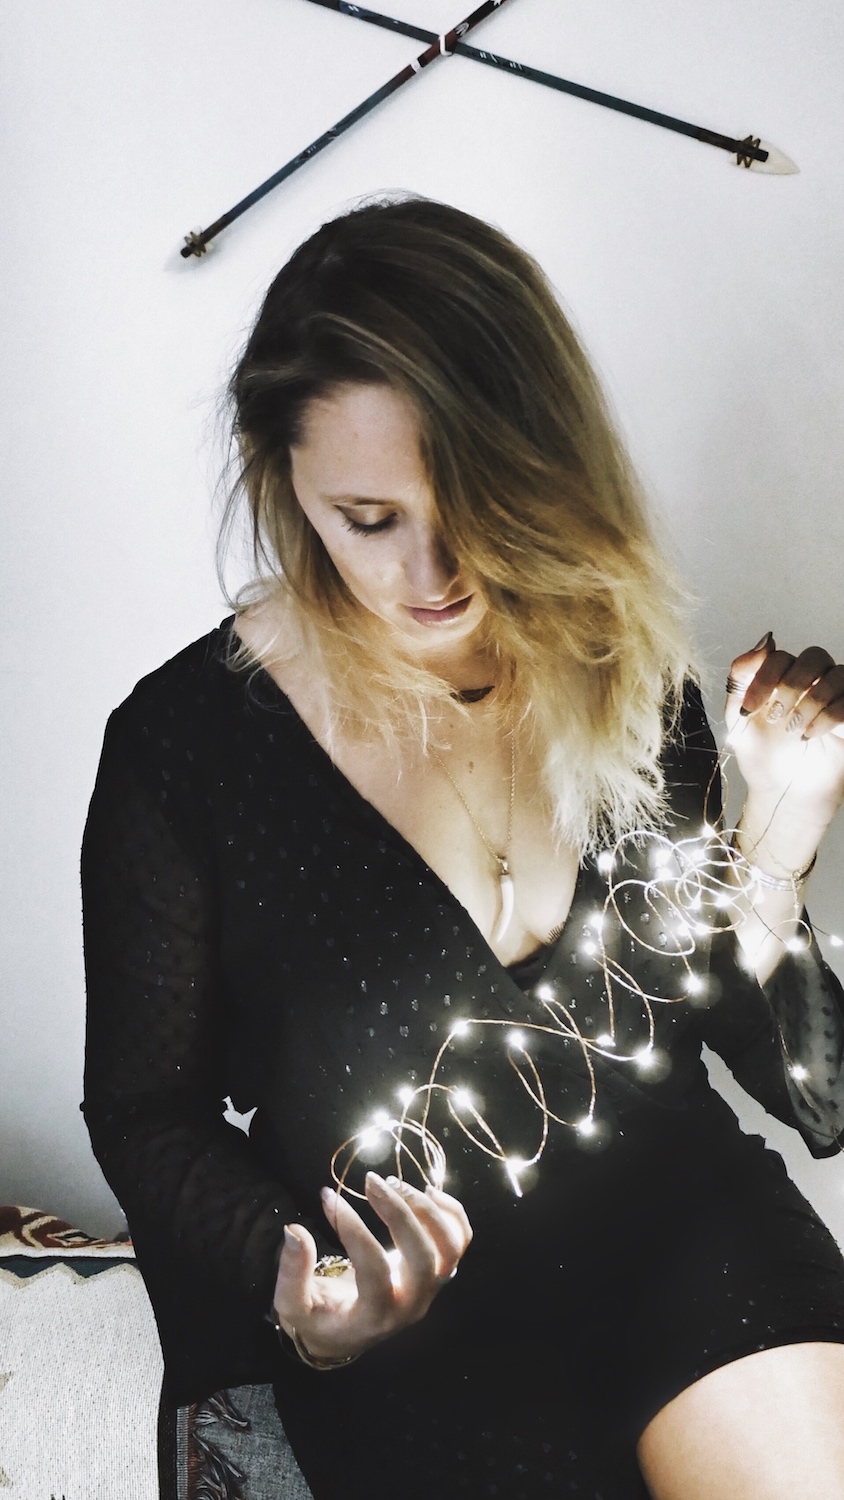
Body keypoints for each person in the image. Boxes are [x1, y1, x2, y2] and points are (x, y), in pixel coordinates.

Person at [82, 196, 844, 1499]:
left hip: (684, 1232)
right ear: (287, 482)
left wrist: (787, 816)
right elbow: (147, 1115)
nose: (434, 571)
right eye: (368, 518)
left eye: (475, 500)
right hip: (419, 1318)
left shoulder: (615, 663)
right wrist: (313, 1296)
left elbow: (800, 1079)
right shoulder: (183, 750)